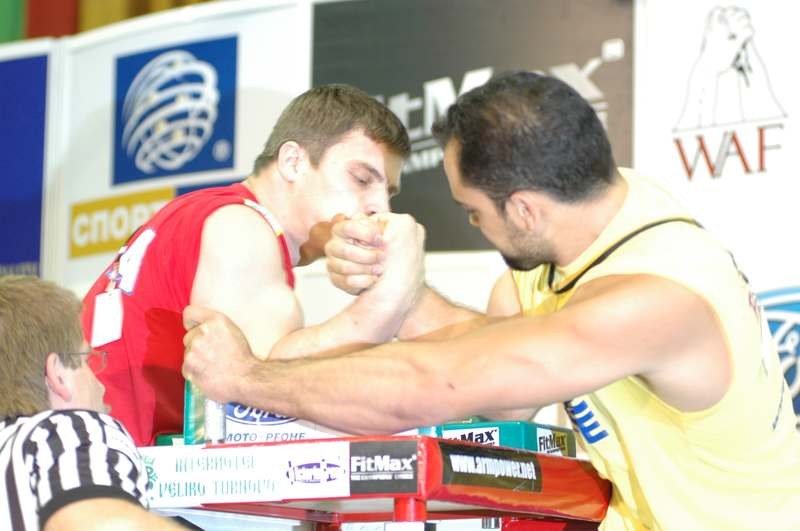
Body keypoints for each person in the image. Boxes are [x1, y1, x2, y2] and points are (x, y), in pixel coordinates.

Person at [181, 72, 800, 530]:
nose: (472, 226)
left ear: (525, 208)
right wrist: (393, 280)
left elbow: (443, 382)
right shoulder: (604, 213)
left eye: (473, 212)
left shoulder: (651, 298)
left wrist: (247, 377)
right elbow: (491, 349)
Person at [82, 84, 420, 446]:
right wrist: (387, 303)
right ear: (293, 162)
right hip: (119, 476)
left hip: (99, 462)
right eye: (362, 179)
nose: (380, 207)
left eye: (389, 193)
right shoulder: (242, 230)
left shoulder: (202, 212)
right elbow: (267, 392)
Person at [0, 275, 185, 531]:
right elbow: (106, 525)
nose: (100, 382)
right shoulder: (65, 431)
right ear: (58, 375)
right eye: (88, 360)